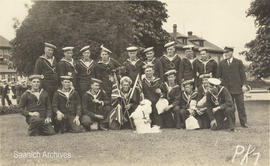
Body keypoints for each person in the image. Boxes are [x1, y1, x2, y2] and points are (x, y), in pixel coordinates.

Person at [219, 46, 248, 128]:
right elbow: (219, 76)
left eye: (227, 52)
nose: (225, 54)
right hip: (227, 90)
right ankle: (231, 123)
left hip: (238, 89)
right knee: (230, 107)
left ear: (232, 52)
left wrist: (244, 85)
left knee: (241, 106)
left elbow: (243, 75)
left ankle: (244, 122)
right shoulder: (221, 63)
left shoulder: (238, 62)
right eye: (224, 53)